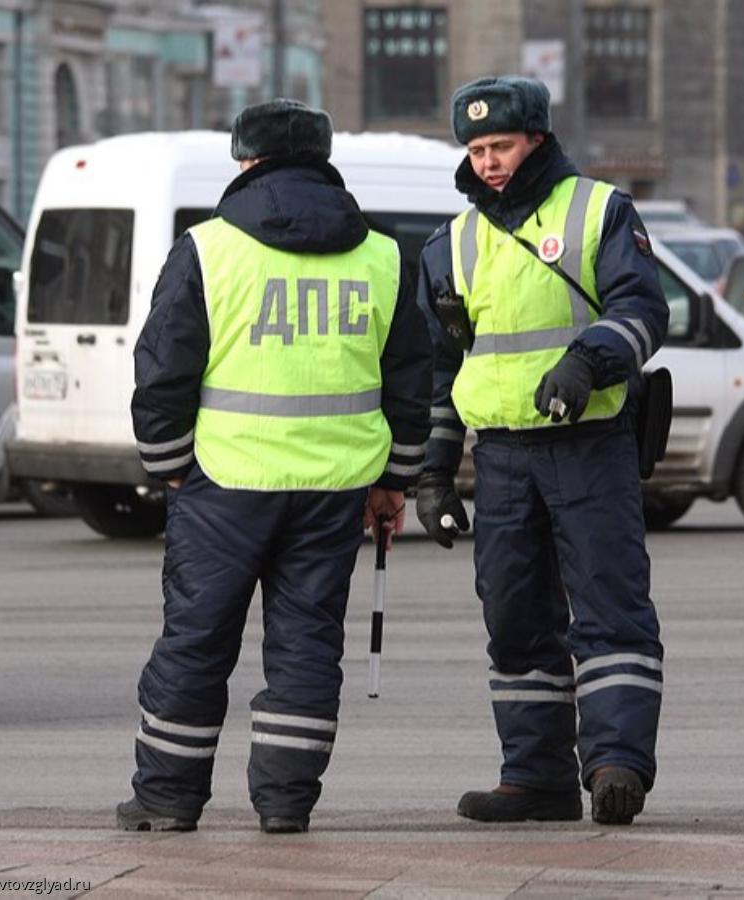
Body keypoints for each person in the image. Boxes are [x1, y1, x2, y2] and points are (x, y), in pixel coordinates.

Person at [117, 99, 432, 834]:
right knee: (308, 646)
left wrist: (168, 464)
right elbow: (412, 377)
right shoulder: (382, 255)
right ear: (324, 161)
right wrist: (395, 480)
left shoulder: (208, 247)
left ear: (246, 162)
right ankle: (287, 804)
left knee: (196, 640)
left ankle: (166, 800)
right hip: (334, 488)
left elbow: (163, 368)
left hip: (225, 483)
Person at [415, 76, 668, 825]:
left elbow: (642, 309)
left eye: (501, 145)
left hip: (590, 445)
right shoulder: (451, 243)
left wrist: (591, 359)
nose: (489, 161)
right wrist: (433, 473)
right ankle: (536, 777)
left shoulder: (597, 210)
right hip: (500, 459)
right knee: (516, 622)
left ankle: (616, 765)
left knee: (609, 608)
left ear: (536, 140)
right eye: (477, 148)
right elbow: (443, 368)